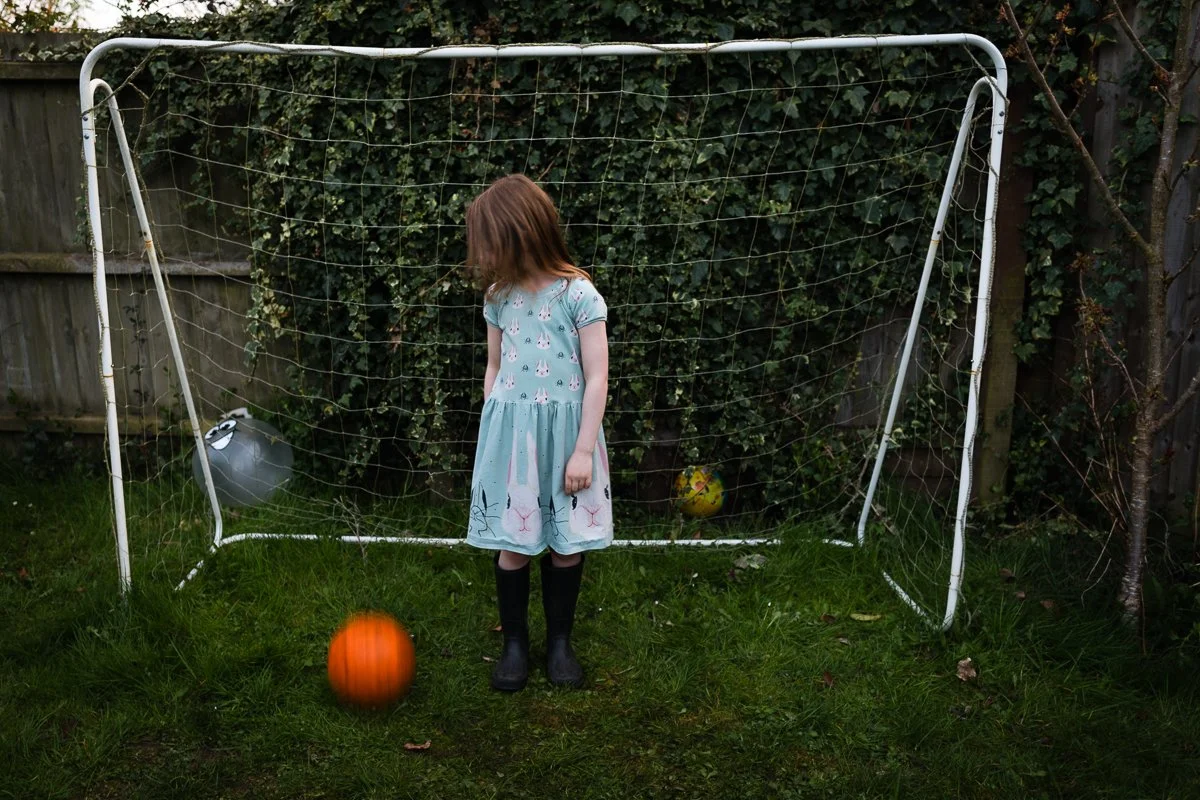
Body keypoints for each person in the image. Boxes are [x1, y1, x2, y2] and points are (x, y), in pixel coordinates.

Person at [465, 174, 613, 692]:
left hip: (567, 438)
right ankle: (514, 645)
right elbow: (494, 365)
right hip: (514, 441)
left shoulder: (579, 295)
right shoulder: (498, 297)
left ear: (520, 232)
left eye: (489, 240)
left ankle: (559, 643)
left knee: (564, 543)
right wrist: (496, 423)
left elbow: (597, 377)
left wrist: (582, 452)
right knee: (513, 542)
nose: (482, 252)